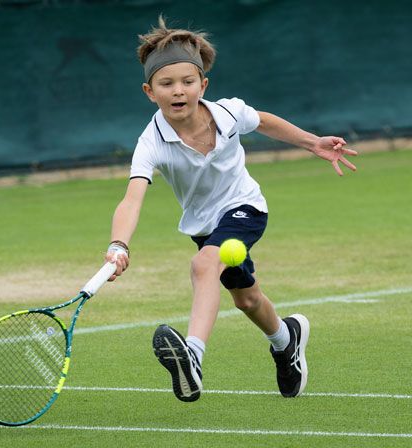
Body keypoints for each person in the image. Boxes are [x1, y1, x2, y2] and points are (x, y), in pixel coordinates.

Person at [103, 17, 357, 402]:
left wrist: (311, 143)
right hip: (204, 225)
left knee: (204, 265)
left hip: (246, 207)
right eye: (166, 84)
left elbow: (263, 121)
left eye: (187, 82)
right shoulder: (150, 142)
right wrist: (119, 243)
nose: (178, 91)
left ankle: (193, 356)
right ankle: (286, 341)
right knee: (247, 298)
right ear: (149, 92)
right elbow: (132, 197)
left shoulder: (227, 112)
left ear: (202, 85)